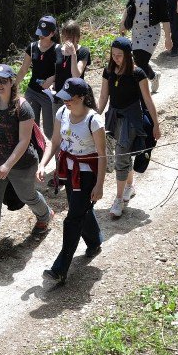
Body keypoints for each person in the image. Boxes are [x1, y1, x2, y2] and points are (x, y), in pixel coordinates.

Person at [0, 64, 53, 266]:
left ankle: (45, 214)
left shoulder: (23, 107)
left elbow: (24, 141)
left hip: (21, 163)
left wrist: (7, 165)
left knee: (27, 196)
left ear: (11, 82)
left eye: (3, 81)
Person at [37, 78, 107, 286]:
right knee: (81, 209)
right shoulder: (62, 113)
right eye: (64, 98)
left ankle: (60, 269)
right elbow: (55, 141)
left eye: (70, 99)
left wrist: (99, 185)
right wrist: (43, 164)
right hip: (68, 170)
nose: (66, 102)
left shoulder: (94, 121)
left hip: (86, 174)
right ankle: (94, 241)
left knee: (73, 217)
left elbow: (102, 156)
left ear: (82, 98)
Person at [97, 37, 162, 219]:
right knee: (123, 153)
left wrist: (156, 124)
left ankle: (118, 199)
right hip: (113, 117)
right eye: (113, 55)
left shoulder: (138, 73)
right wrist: (94, 117)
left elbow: (148, 100)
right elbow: (103, 97)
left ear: (127, 55)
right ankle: (129, 186)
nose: (116, 58)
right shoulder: (108, 72)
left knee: (121, 156)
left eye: (119, 55)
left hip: (131, 119)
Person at [121, 0, 172, 94]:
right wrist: (122, 24)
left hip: (151, 33)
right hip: (136, 31)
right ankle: (153, 76)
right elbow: (129, 7)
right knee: (138, 60)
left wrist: (168, 38)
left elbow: (166, 20)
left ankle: (140, 88)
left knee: (141, 62)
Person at [15, 15, 60, 139]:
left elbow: (62, 71)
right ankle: (36, 155)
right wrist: (14, 86)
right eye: (40, 32)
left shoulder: (57, 49)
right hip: (32, 91)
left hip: (47, 94)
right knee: (30, 127)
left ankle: (57, 155)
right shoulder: (32, 47)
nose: (41, 36)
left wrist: (52, 79)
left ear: (52, 33)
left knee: (49, 131)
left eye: (44, 33)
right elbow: (24, 69)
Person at [53, 20, 91, 95]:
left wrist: (73, 54)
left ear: (77, 37)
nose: (67, 39)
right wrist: (52, 83)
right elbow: (54, 71)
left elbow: (76, 75)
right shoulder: (57, 49)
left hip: (75, 95)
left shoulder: (83, 51)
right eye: (65, 36)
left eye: (70, 37)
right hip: (59, 94)